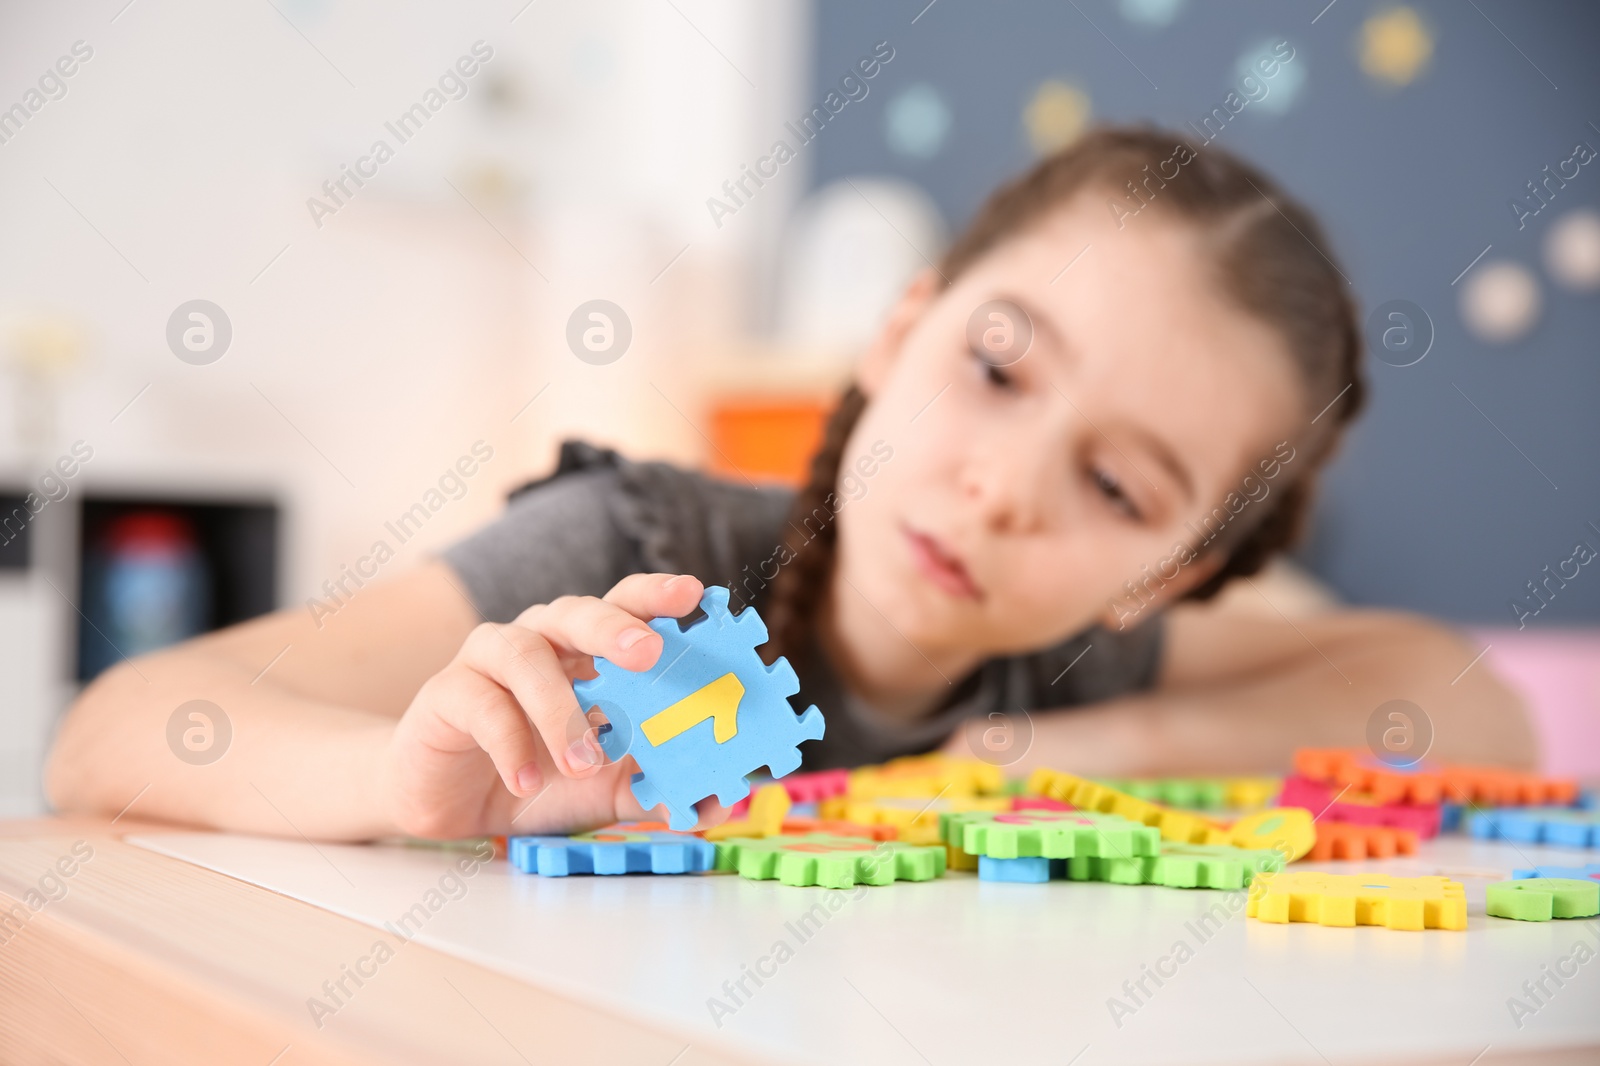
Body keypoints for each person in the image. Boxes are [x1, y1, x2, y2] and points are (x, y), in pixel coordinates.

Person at [45, 127, 1532, 843]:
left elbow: (1471, 696)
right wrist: (398, 783)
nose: (1001, 486)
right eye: (998, 370)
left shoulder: (1083, 655)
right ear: (899, 329)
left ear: (1160, 579)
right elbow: (120, 726)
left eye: (1119, 488)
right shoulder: (635, 557)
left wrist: (1062, 750)